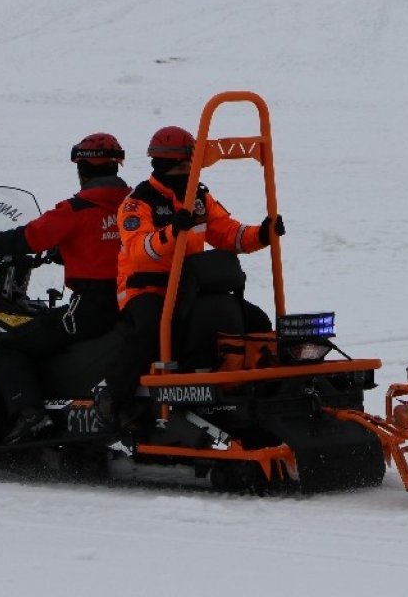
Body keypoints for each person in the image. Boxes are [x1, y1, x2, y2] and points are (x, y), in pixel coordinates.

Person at [98, 125, 284, 427]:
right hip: (146, 289)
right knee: (149, 328)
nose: (188, 172)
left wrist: (261, 234)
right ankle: (116, 401)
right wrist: (173, 232)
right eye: (183, 166)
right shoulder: (137, 202)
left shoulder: (198, 197)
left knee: (254, 320)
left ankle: (249, 387)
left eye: (191, 165)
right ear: (163, 165)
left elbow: (228, 232)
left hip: (191, 287)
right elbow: (139, 250)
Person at [0, 132, 131, 442]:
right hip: (133, 304)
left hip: (91, 309)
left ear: (83, 170)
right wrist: (66, 254)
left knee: (6, 344)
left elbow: (26, 238)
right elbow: (110, 248)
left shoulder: (76, 210)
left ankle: (28, 414)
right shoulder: (135, 208)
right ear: (116, 168)